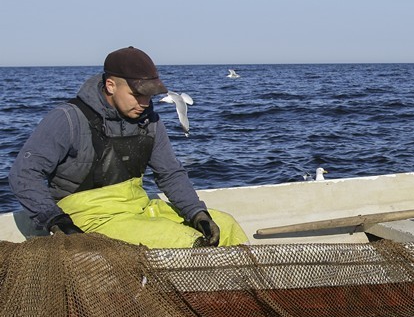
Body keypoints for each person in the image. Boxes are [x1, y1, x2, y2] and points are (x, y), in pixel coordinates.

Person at [9, 46, 248, 247]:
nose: (145, 103)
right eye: (137, 94)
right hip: (89, 217)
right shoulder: (68, 118)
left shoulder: (150, 122)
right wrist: (56, 221)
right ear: (111, 86)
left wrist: (197, 213)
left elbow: (170, 174)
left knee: (225, 226)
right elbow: (24, 174)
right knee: (186, 242)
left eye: (150, 96)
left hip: (138, 207)